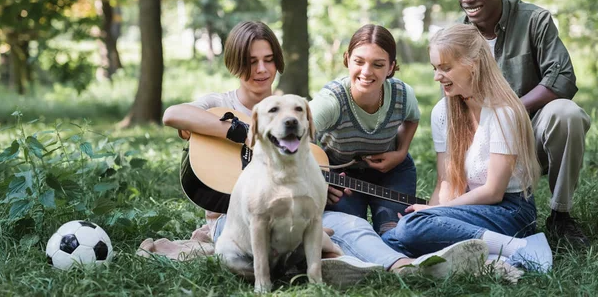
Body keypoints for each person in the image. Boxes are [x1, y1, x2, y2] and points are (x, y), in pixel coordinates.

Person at [161, 20, 486, 286]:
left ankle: (401, 265)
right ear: (234, 63)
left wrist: (317, 186)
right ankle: (365, 263)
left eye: (268, 59)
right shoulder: (221, 104)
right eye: (250, 62)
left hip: (293, 216)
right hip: (234, 222)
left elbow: (313, 157)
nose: (261, 70)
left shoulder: (297, 113)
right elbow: (173, 114)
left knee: (346, 225)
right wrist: (243, 131)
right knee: (335, 231)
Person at [382, 24, 553, 273]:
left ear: (473, 63)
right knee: (393, 238)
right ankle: (492, 258)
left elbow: (494, 192)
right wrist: (431, 217)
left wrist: (433, 214)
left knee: (411, 228)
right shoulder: (444, 111)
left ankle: (520, 247)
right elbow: (446, 182)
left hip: (511, 211)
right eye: (435, 68)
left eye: (445, 68)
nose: (437, 77)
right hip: (470, 207)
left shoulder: (504, 113)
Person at [454, 0, 591, 247]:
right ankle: (481, 202)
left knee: (567, 114)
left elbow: (563, 77)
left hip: (531, 133)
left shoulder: (534, 20)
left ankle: (561, 215)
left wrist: (511, 111)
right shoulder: (457, 35)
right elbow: (451, 100)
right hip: (482, 143)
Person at [310, 24, 420, 235]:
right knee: (350, 232)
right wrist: (318, 178)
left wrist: (401, 152)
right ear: (347, 60)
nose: (366, 72)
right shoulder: (331, 101)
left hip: (391, 172)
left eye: (378, 64)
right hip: (340, 175)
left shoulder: (403, 94)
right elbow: (299, 137)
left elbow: (412, 119)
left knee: (393, 232)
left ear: (390, 67)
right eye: (359, 62)